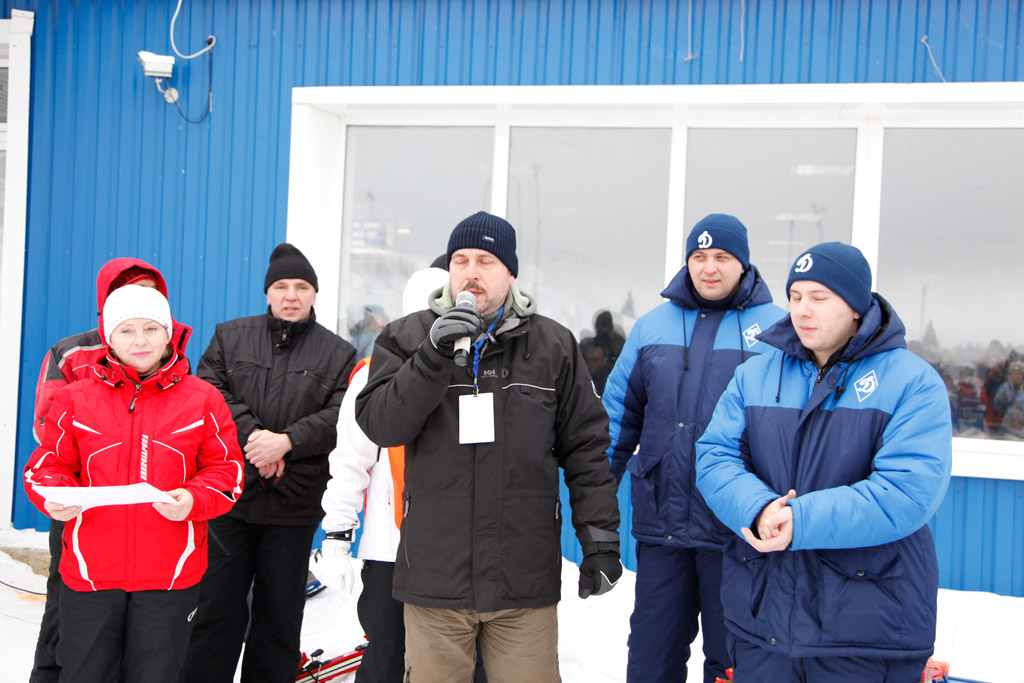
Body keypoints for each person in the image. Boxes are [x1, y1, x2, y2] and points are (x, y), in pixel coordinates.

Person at [355, 211, 622, 682]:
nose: (471, 272)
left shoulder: (553, 346)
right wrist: (432, 357)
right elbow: (382, 426)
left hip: (522, 580)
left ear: (510, 272)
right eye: (461, 260)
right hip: (436, 577)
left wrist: (599, 541)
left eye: (486, 261)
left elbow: (586, 450)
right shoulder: (407, 337)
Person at [695, 242, 953, 682]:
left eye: (819, 297)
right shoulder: (755, 374)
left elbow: (907, 492)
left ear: (854, 306)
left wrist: (800, 520)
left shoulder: (912, 383)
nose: (802, 310)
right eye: (795, 297)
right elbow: (715, 456)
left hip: (866, 629)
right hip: (764, 622)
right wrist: (757, 508)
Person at [24, 285, 244, 683]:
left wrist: (193, 499)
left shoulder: (203, 399)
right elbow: (47, 465)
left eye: (151, 329)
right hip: (90, 573)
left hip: (170, 574)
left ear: (168, 334)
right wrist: (54, 495)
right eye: (127, 330)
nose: (140, 341)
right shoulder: (74, 398)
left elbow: (227, 470)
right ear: (109, 337)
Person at [601, 214, 786, 683]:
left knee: (733, 663)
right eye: (699, 257)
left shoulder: (778, 331)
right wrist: (596, 498)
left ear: (743, 264)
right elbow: (618, 419)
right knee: (651, 660)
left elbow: (794, 432)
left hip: (739, 533)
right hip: (663, 528)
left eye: (722, 257)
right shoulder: (652, 327)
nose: (709, 267)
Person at [181, 244, 357, 683]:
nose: (291, 295)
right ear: (267, 293)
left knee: (279, 620)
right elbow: (209, 393)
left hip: (293, 505)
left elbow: (342, 415)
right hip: (232, 500)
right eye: (281, 286)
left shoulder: (339, 354)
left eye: (301, 287)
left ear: (314, 294)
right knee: (215, 614)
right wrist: (257, 440)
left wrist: (288, 443)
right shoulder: (230, 337)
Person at [320, 262, 490, 683]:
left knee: (467, 658)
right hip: (392, 550)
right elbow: (351, 460)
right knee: (388, 656)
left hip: (463, 549)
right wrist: (338, 534)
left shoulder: (477, 368)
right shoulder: (374, 373)